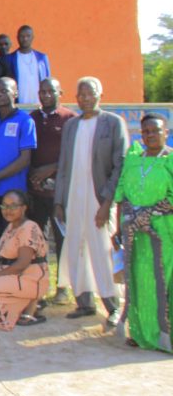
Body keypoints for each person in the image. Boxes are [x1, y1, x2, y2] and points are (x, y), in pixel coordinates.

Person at [54, 77, 128, 326]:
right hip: (73, 197)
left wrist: (107, 203)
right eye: (81, 94)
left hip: (99, 198)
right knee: (76, 247)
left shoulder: (113, 123)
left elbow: (120, 166)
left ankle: (113, 306)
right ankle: (84, 302)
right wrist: (59, 201)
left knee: (102, 249)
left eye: (90, 93)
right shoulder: (71, 126)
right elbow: (63, 165)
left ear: (100, 95)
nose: (85, 98)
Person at [115, 113, 173, 351]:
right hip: (135, 234)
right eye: (146, 131)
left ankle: (164, 335)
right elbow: (121, 193)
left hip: (163, 232)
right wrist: (121, 224)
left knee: (162, 279)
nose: (150, 135)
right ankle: (141, 334)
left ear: (166, 133)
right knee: (138, 280)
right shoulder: (134, 159)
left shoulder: (170, 160)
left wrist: (149, 214)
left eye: (156, 130)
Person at [0, 78, 37, 272]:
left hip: (13, 196)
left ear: (15, 93)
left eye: (4, 90)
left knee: (13, 244)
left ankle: (14, 283)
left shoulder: (25, 121)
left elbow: (24, 159)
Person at [0, 190, 50, 330]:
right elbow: (5, 259)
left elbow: (22, 264)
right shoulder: (11, 226)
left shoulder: (28, 227)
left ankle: (30, 302)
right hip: (12, 276)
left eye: (13, 206)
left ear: (23, 208)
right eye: (4, 206)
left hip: (29, 278)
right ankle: (27, 303)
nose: (8, 210)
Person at [28, 78, 76, 300]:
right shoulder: (32, 118)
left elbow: (73, 154)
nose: (46, 95)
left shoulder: (70, 119)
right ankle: (41, 283)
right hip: (36, 191)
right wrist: (34, 174)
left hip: (60, 192)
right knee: (39, 239)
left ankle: (63, 287)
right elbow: (27, 151)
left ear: (60, 93)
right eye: (42, 91)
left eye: (51, 91)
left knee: (62, 238)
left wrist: (50, 169)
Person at [4, 25, 51, 106]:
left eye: (28, 36)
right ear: (17, 38)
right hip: (18, 105)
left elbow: (47, 80)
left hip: (40, 105)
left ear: (32, 37)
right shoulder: (10, 59)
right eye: (22, 36)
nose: (25, 39)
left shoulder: (42, 58)